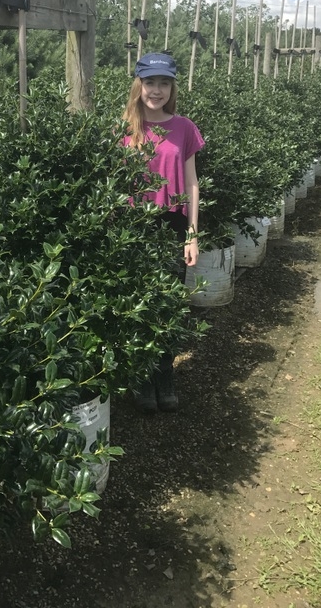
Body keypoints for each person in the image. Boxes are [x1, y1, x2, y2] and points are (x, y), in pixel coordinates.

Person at [122, 52, 205, 412]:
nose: (157, 90)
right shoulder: (124, 128)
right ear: (139, 85)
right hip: (134, 225)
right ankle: (142, 378)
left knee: (169, 304)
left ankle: (164, 374)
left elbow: (192, 184)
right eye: (150, 82)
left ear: (172, 87)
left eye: (164, 83)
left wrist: (192, 233)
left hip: (171, 223)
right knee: (139, 303)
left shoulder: (184, 128)